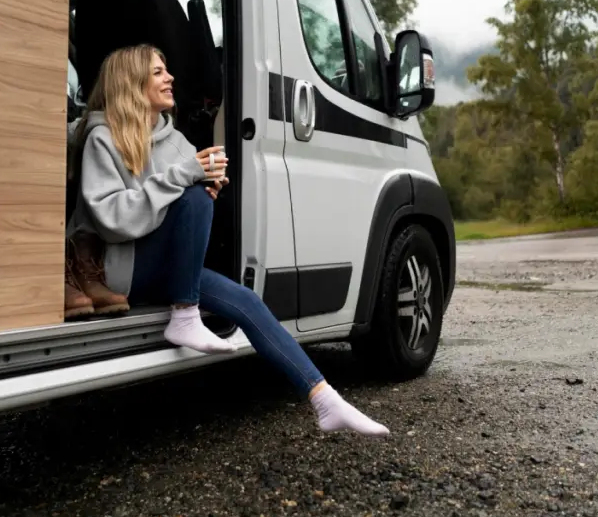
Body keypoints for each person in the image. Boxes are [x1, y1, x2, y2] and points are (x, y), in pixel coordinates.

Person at [65, 43, 390, 437]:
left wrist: (206, 184)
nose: (170, 78)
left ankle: (326, 400)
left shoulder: (178, 142)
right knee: (194, 192)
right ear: (131, 84)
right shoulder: (102, 138)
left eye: (167, 69)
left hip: (163, 267)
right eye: (157, 72)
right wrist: (183, 181)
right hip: (118, 267)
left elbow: (180, 202)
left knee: (247, 300)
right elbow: (112, 219)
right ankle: (185, 315)